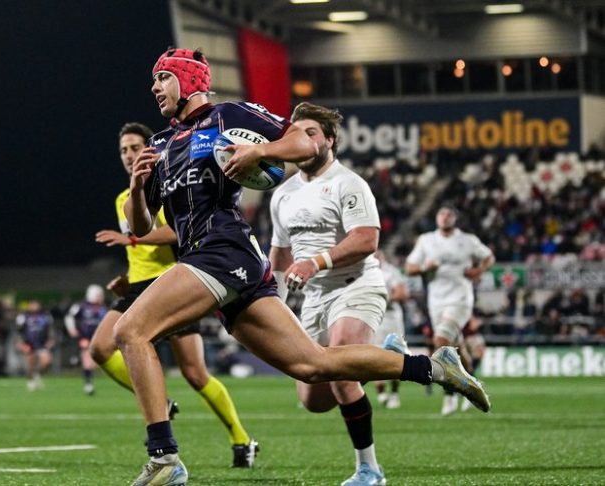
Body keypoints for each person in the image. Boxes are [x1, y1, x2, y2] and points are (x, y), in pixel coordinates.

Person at [118, 47, 490, 486]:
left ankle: (164, 457)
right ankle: (434, 368)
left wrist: (260, 153)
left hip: (222, 250)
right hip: (217, 261)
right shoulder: (160, 146)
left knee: (130, 331)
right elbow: (139, 228)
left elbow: (302, 141)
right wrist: (139, 188)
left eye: (162, 77)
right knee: (313, 367)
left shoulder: (228, 116)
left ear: (188, 80)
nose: (154, 88)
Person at [92, 122, 258, 468]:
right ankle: (160, 403)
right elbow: (138, 248)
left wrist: (134, 239)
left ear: (149, 149)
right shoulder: (124, 198)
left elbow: (172, 232)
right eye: (124, 150)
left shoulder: (168, 186)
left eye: (136, 148)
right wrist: (125, 279)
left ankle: (242, 440)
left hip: (174, 282)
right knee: (100, 348)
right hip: (138, 286)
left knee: (196, 374)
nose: (129, 155)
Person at [268, 102, 401, 485]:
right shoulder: (283, 193)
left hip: (355, 286)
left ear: (329, 140)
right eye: (296, 134)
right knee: (313, 399)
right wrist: (272, 303)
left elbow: (366, 240)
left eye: (311, 133)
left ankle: (369, 469)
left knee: (341, 369)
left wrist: (316, 262)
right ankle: (380, 359)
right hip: (313, 300)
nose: (303, 140)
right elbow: (280, 253)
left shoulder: (349, 183)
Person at [405, 205, 495, 416]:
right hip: (436, 302)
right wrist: (426, 268)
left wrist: (479, 270)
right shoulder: (426, 240)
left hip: (460, 299)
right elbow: (409, 268)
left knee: (441, 341)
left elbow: (489, 256)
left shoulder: (468, 240)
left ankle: (449, 395)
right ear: (436, 218)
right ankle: (471, 383)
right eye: (441, 214)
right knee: (456, 347)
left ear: (455, 218)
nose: (445, 217)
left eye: (449, 214)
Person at [372, 251, 410, 409]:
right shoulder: (363, 271)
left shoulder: (391, 272)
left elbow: (402, 294)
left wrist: (382, 300)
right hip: (372, 318)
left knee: (396, 357)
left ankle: (394, 393)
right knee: (374, 356)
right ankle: (381, 392)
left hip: (391, 318)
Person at [65, 284, 108, 395]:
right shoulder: (81, 306)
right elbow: (69, 317)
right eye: (98, 295)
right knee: (87, 359)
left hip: (100, 338)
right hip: (85, 337)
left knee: (97, 362)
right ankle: (88, 384)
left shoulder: (103, 308)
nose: (100, 297)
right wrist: (72, 329)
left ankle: (85, 372)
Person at [15, 300, 55, 391]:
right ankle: (30, 381)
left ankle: (37, 374)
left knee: (47, 362)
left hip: (42, 343)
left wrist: (51, 340)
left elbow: (50, 329)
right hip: (28, 343)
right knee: (30, 363)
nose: (34, 306)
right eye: (32, 305)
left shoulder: (46, 316)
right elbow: (18, 331)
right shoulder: (23, 316)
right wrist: (20, 343)